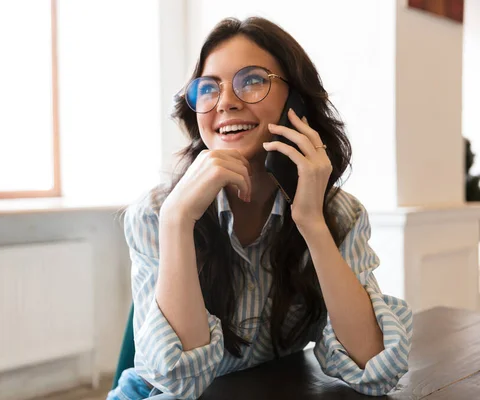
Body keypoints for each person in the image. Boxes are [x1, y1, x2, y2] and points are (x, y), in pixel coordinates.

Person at [108, 16, 412, 400]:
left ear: (296, 101)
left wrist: (311, 223)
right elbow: (179, 382)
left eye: (252, 80)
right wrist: (177, 221)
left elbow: (375, 370)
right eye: (209, 88)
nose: (227, 102)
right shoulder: (158, 212)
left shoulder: (339, 214)